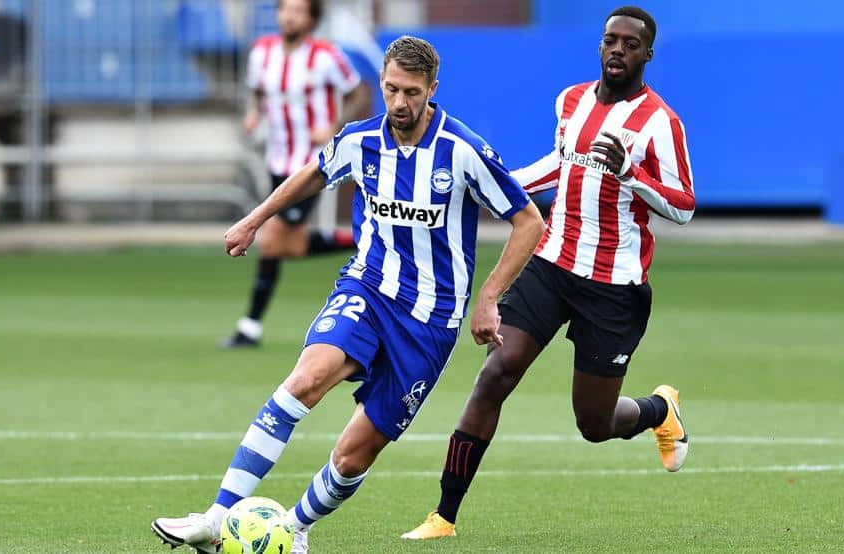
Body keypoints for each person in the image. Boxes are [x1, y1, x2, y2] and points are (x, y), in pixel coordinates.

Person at [151, 35, 545, 554]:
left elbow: (528, 222)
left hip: (430, 322)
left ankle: (293, 528)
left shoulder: (463, 151)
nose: (399, 103)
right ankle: (216, 516)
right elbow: (313, 174)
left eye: (410, 91)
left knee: (354, 456)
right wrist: (253, 220)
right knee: (304, 381)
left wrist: (490, 296)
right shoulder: (360, 141)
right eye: (390, 89)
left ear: (432, 89)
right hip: (368, 289)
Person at [402, 5, 696, 540]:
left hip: (612, 285)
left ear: (647, 54)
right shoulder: (572, 100)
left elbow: (683, 205)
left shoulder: (660, 122)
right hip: (550, 263)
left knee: (593, 423)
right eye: (611, 40)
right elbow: (561, 162)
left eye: (631, 44)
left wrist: (631, 174)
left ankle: (659, 409)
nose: (618, 50)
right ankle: (443, 516)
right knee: (495, 373)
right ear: (600, 45)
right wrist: (495, 186)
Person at [222, 0, 372, 348]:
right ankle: (365, 238)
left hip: (311, 165)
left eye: (297, 11)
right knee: (284, 243)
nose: (288, 16)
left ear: (312, 19)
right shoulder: (262, 52)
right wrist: (253, 114)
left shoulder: (326, 56)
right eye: (284, 9)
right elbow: (258, 91)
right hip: (277, 160)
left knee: (272, 241)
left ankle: (249, 327)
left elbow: (357, 93)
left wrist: (333, 125)